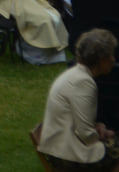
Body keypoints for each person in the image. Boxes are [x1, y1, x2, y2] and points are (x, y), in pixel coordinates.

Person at [39, 29, 119, 171]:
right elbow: (86, 135)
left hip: (60, 148)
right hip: (66, 155)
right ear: (101, 60)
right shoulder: (83, 82)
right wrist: (104, 135)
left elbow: (80, 123)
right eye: (111, 55)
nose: (113, 59)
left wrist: (97, 127)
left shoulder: (76, 74)